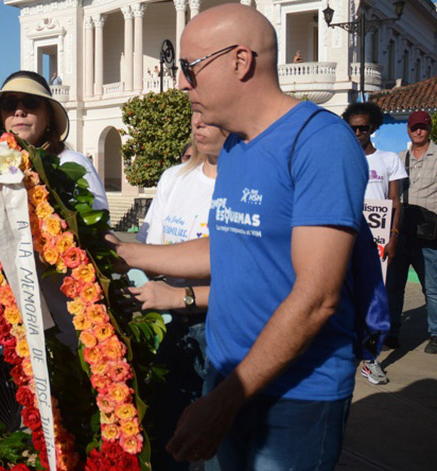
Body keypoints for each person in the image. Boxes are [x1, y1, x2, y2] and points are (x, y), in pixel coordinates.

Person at [106, 4, 368, 469]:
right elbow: (230, 243)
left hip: (294, 396)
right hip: (227, 379)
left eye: (190, 68)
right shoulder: (235, 145)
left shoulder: (320, 142)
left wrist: (226, 400)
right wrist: (128, 251)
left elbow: (317, 297)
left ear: (240, 61)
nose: (182, 82)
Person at [0, 70, 107, 428]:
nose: (19, 112)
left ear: (47, 116)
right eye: (10, 106)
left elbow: (96, 242)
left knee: (61, 440)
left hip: (59, 334)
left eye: (29, 104)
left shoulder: (73, 167)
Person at [132, 111, 228, 471]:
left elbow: (250, 279)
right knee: (164, 442)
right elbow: (148, 247)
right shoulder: (174, 178)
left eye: (211, 113)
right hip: (170, 328)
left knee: (219, 451)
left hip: (220, 329)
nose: (200, 122)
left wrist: (182, 295)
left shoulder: (247, 186)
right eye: (196, 113)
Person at [342, 102, 406, 383]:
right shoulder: (340, 156)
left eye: (363, 128)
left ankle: (370, 359)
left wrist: (393, 236)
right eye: (353, 127)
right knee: (343, 297)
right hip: (345, 239)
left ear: (374, 127)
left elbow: (395, 201)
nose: (357, 133)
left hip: (377, 242)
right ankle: (345, 351)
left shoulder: (389, 159)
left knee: (374, 302)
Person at [386, 110, 437, 355]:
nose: (419, 131)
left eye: (423, 127)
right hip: (401, 231)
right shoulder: (399, 158)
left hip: (429, 233)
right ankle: (392, 333)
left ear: (429, 129)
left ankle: (435, 333)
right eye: (415, 127)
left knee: (432, 286)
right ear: (408, 129)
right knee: (394, 287)